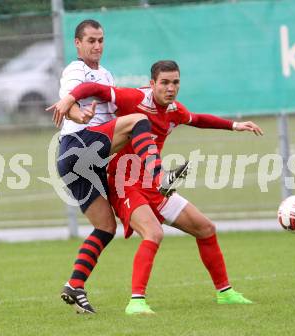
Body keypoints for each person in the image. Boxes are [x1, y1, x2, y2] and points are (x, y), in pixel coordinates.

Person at [51, 60, 264, 315]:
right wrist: (70, 98)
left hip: (151, 186)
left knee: (205, 228)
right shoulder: (134, 99)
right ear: (152, 84)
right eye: (164, 82)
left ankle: (225, 292)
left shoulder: (174, 110)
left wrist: (234, 125)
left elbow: (197, 119)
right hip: (125, 185)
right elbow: (92, 87)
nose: (170, 88)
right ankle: (136, 302)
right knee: (153, 233)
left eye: (175, 82)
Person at [50, 21, 188, 314]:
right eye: (90, 40)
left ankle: (75, 284)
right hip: (78, 144)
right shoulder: (75, 70)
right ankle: (158, 176)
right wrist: (79, 113)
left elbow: (115, 108)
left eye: (101, 40)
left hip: (84, 163)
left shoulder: (106, 75)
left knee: (106, 227)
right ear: (77, 43)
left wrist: (146, 98)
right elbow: (69, 101)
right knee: (139, 122)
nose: (97, 45)